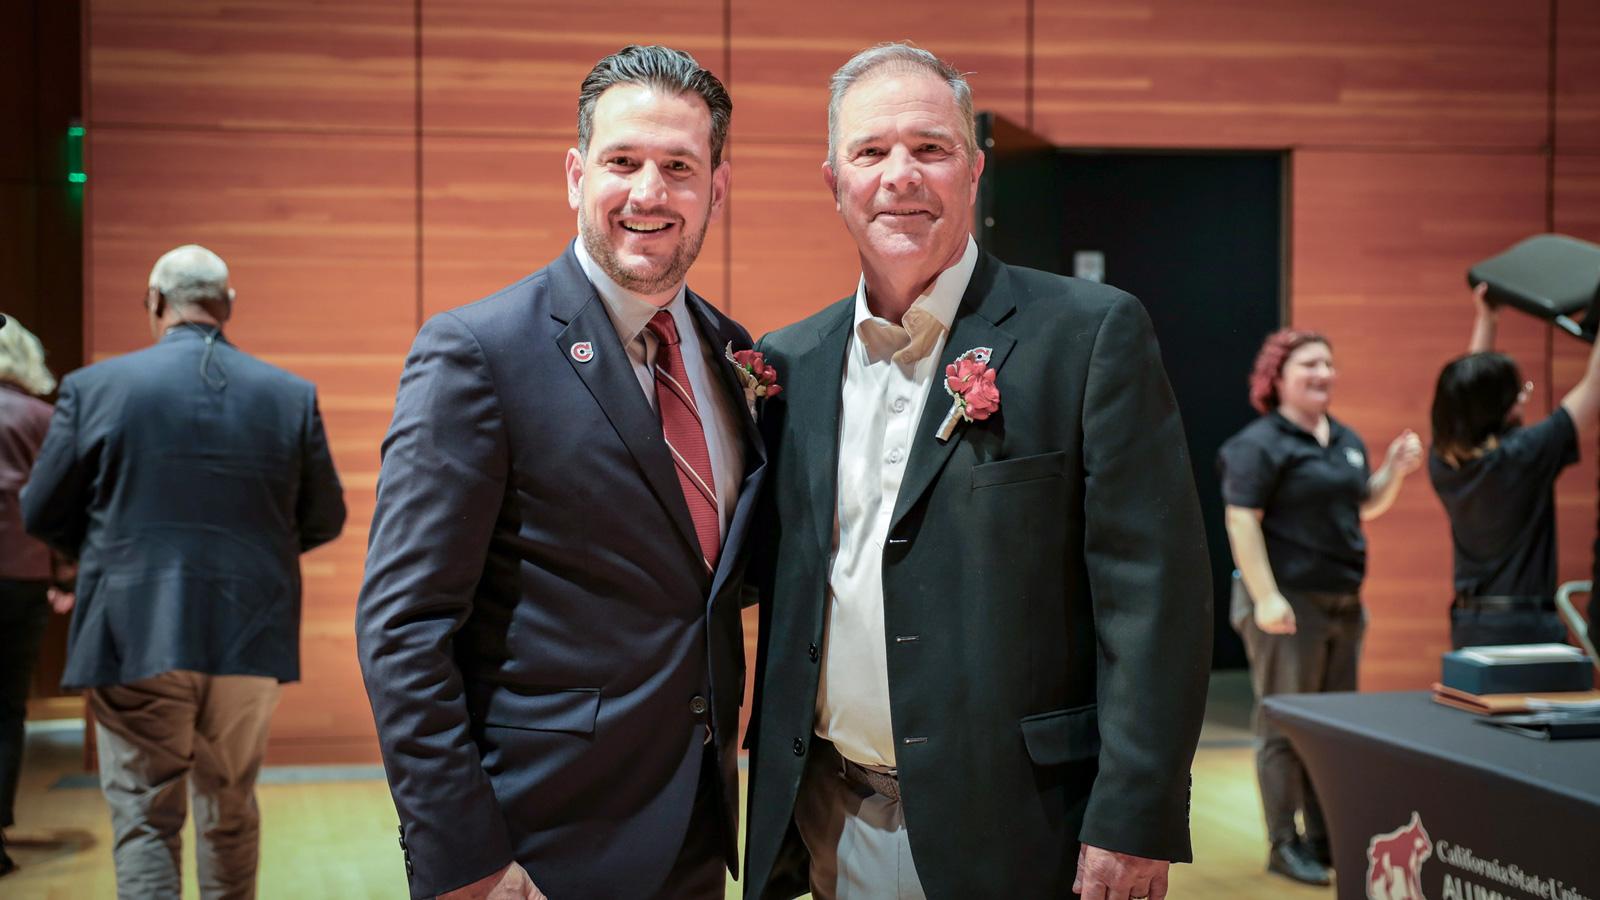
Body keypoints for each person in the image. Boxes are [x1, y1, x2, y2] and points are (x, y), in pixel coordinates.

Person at [741, 43, 1212, 900]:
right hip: (828, 814)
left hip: (1025, 826)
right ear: (835, 181)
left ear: (974, 170)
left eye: (931, 148)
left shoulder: (1088, 333)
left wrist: (1134, 813)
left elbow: (1153, 596)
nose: (900, 175)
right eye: (870, 151)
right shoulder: (791, 362)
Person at [356, 45, 766, 900]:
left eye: (679, 167)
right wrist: (467, 861)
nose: (649, 193)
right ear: (577, 175)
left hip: (696, 831)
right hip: (538, 846)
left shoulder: (732, 352)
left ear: (717, 189)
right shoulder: (479, 352)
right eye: (623, 161)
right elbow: (404, 626)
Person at [20, 244, 347, 899]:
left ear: (155, 303)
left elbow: (41, 508)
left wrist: (111, 555)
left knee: (146, 816)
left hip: (130, 631)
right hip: (250, 633)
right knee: (231, 807)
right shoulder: (288, 395)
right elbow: (325, 517)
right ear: (228, 307)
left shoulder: (94, 388)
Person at [1218, 329, 1423, 887]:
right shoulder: (1259, 444)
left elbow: (1364, 505)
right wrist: (1267, 597)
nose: (1323, 373)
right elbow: (1241, 520)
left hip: (1343, 603)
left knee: (1330, 726)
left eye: (1328, 363)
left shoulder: (1345, 439)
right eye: (1309, 364)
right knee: (1284, 725)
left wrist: (1393, 471)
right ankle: (1283, 843)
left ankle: (1324, 838)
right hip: (1287, 606)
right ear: (1277, 377)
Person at [1428, 283, 1600, 649]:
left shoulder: (1444, 462)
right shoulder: (1522, 455)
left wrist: (1487, 320)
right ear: (1503, 409)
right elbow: (1592, 390)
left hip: (1469, 624)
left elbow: (1470, 392)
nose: (1524, 399)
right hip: (1526, 628)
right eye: (1520, 394)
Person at [0, 315, 69, 878]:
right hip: (19, 575)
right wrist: (65, 575)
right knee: (6, 706)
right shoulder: (40, 419)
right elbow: (58, 503)